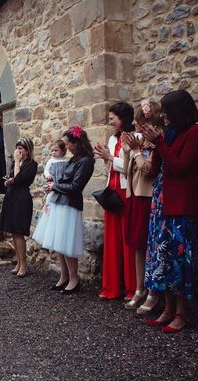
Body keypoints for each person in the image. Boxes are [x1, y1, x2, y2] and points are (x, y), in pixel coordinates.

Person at [141, 90, 198, 333]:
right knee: (163, 257)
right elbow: (156, 169)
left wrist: (160, 143)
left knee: (179, 259)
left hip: (181, 205)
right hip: (161, 202)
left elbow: (180, 168)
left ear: (179, 110)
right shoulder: (169, 133)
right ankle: (166, 309)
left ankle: (181, 313)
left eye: (167, 111)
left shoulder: (195, 133)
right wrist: (154, 145)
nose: (164, 116)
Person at [40, 126, 95, 294]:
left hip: (70, 204)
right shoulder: (75, 158)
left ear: (76, 143)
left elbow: (76, 186)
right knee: (58, 243)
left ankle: (74, 279)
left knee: (67, 243)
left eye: (67, 143)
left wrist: (55, 185)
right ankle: (64, 277)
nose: (67, 147)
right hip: (60, 202)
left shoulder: (85, 161)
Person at [120, 101, 163, 314]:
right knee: (137, 244)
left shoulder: (156, 142)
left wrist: (136, 152)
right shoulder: (139, 141)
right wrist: (128, 151)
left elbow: (149, 171)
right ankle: (139, 288)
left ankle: (153, 291)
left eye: (138, 120)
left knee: (150, 245)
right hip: (135, 195)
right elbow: (127, 171)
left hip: (148, 197)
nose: (134, 124)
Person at [94, 102, 137, 300]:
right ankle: (111, 287)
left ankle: (132, 289)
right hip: (112, 190)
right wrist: (106, 158)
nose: (110, 122)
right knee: (111, 240)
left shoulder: (136, 137)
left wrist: (110, 158)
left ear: (123, 118)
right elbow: (110, 167)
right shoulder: (112, 139)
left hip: (127, 190)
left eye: (113, 118)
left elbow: (133, 167)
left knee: (128, 240)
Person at [0, 137, 38, 277]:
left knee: (19, 231)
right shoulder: (16, 163)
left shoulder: (32, 164)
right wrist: (7, 182)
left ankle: (24, 264)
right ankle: (19, 262)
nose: (17, 151)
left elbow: (19, 179)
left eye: (20, 148)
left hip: (21, 199)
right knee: (13, 231)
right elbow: (11, 178)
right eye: (17, 148)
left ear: (27, 151)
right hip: (11, 197)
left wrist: (16, 162)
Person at [33, 140, 69, 247]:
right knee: (50, 196)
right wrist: (47, 175)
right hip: (53, 183)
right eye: (52, 151)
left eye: (56, 150)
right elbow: (46, 171)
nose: (53, 153)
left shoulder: (66, 161)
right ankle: (47, 207)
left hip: (61, 184)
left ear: (63, 151)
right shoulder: (51, 161)